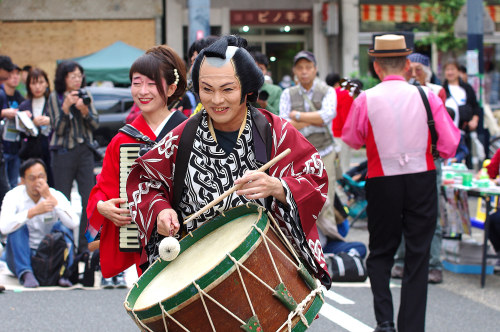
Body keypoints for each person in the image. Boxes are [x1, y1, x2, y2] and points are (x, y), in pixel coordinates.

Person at [125, 35, 331, 286]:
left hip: (265, 266)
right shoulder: (183, 136)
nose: (216, 100)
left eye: (228, 89)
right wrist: (161, 209)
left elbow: (315, 176)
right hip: (195, 268)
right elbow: (145, 181)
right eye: (207, 90)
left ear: (247, 89)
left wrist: (279, 187)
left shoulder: (274, 132)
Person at [342, 34, 460, 332]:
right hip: (422, 178)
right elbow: (449, 144)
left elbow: (352, 139)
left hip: (382, 181)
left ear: (376, 66)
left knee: (381, 251)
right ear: (408, 64)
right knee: (418, 254)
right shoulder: (427, 96)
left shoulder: (366, 98)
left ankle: (384, 322)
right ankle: (411, 327)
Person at [86, 45, 188, 282]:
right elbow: (102, 189)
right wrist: (102, 207)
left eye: (152, 84)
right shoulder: (124, 140)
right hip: (142, 244)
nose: (143, 91)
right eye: (136, 82)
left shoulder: (188, 133)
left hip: (187, 238)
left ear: (171, 88)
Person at [392, 53, 451, 284]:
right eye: (411, 68)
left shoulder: (436, 91)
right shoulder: (399, 92)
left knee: (431, 212)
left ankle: (434, 263)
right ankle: (401, 260)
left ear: (427, 70)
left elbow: (441, 124)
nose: (414, 72)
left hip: (430, 156)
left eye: (419, 68)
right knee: (402, 210)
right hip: (404, 157)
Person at [279, 50, 342, 249]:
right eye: (300, 68)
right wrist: (312, 118)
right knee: (301, 198)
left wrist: (297, 115)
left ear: (315, 69)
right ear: (295, 71)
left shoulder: (327, 91)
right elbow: (285, 124)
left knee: (326, 199)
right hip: (298, 155)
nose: (304, 72)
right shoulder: (287, 93)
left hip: (325, 152)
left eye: (308, 67)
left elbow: (327, 116)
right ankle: (304, 242)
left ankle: (327, 242)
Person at [0, 158, 79, 288]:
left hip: (50, 255)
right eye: (32, 178)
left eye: (41, 177)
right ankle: (26, 273)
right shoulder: (13, 196)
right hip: (23, 255)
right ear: (23, 181)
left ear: (46, 177)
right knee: (17, 228)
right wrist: (32, 212)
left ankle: (63, 274)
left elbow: (74, 223)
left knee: (63, 226)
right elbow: (3, 227)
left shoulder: (55, 195)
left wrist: (54, 202)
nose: (37, 182)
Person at [47, 61, 99, 251]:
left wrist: (85, 111)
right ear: (64, 78)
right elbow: (57, 129)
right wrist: (66, 108)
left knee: (88, 198)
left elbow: (95, 124)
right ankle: (65, 244)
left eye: (79, 76)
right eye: (73, 76)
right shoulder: (55, 96)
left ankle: (85, 247)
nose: (77, 80)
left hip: (84, 151)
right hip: (63, 152)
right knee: (63, 199)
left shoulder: (87, 95)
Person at [18, 68, 54, 186]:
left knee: (52, 183)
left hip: (51, 151)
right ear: (28, 85)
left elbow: (62, 124)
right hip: (31, 151)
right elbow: (20, 132)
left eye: (41, 82)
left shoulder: (53, 103)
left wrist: (50, 121)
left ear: (47, 84)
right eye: (33, 83)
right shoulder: (24, 105)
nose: (37, 87)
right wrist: (31, 123)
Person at [443, 61, 481, 169]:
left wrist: (474, 120)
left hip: (463, 132)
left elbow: (475, 107)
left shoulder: (466, 88)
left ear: (458, 71)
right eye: (448, 70)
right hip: (447, 132)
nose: (450, 72)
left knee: (464, 156)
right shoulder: (442, 89)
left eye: (452, 69)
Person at [1, 64, 25, 188]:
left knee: (13, 185)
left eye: (17, 74)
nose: (15, 77)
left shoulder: (19, 97)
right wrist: (3, 113)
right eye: (11, 74)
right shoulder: (1, 94)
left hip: (15, 148)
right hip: (2, 149)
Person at [250, 51, 283, 115]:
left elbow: (279, 118)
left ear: (266, 71)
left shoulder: (276, 91)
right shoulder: (240, 89)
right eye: (253, 68)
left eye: (261, 68)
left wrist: (265, 105)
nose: (257, 72)